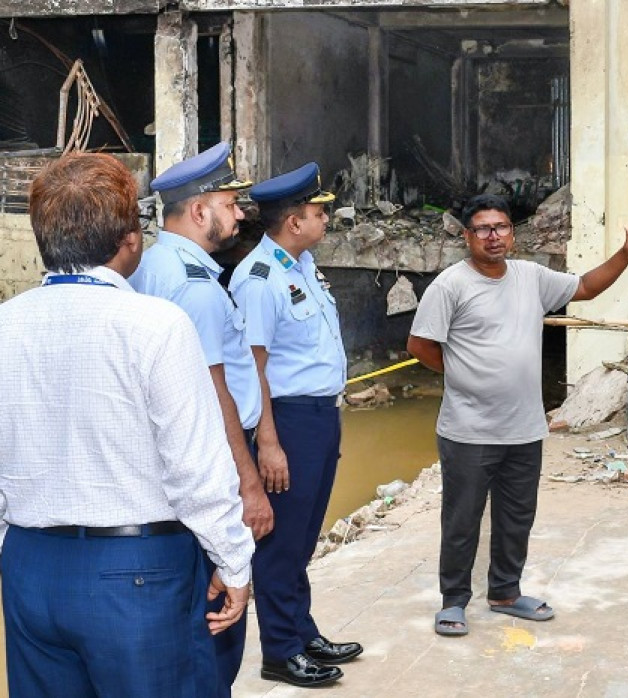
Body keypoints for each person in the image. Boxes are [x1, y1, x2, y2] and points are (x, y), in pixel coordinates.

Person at [0, 153, 254, 697]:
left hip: (32, 569)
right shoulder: (157, 326)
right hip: (139, 573)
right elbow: (196, 469)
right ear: (131, 239)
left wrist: (8, 555)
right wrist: (233, 561)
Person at [407, 194, 628, 637]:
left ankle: (506, 593)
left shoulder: (530, 277)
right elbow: (420, 346)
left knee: (516, 516)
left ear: (513, 232)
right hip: (468, 430)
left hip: (525, 427)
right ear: (468, 236)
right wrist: (466, 373)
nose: (495, 236)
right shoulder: (449, 285)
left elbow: (584, 287)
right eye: (484, 229)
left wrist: (626, 254)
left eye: (503, 227)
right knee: (461, 519)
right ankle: (453, 602)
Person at [130, 141, 275, 696]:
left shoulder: (155, 265)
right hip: (210, 454)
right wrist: (249, 486)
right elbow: (214, 392)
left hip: (168, 463)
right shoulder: (194, 289)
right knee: (215, 618)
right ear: (198, 211)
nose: (240, 213)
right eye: (231, 203)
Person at [228, 162, 360, 688]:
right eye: (317, 211)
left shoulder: (301, 266)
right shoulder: (258, 279)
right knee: (281, 542)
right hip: (287, 420)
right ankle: (280, 651)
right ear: (293, 222)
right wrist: (269, 441)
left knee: (304, 535)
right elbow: (251, 367)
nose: (326, 218)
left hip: (320, 417)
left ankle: (302, 631)